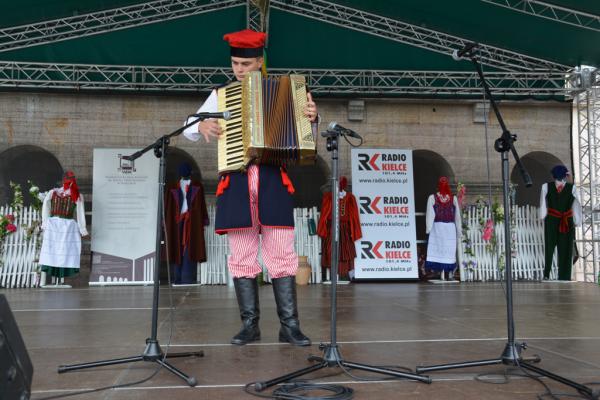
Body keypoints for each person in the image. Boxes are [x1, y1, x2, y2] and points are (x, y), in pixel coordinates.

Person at [183, 29, 318, 346]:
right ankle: (250, 326)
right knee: (241, 254)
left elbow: (304, 136)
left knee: (282, 253)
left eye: (245, 64)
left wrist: (313, 117)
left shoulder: (287, 91)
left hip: (273, 181)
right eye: (235, 64)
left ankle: (290, 326)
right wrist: (201, 124)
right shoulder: (221, 94)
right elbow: (189, 126)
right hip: (237, 183)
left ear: (260, 62)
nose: (238, 70)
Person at [39, 171, 88, 284]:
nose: (69, 182)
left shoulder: (77, 195)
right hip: (54, 225)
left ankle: (61, 277)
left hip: (68, 226)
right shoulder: (53, 192)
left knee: (65, 250)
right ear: (63, 180)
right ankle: (54, 275)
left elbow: (80, 212)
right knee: (52, 249)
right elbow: (46, 207)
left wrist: (82, 229)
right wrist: (45, 222)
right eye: (67, 179)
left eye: (71, 179)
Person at [164, 162, 209, 285]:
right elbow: (167, 207)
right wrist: (165, 222)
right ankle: (178, 278)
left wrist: (204, 219)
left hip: (192, 222)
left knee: (190, 248)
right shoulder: (172, 188)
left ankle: (188, 278)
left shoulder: (197, 187)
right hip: (176, 221)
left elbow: (201, 205)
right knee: (177, 248)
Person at [539, 165, 582, 281]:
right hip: (552, 220)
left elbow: (576, 205)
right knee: (549, 246)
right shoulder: (546, 187)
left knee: (566, 248)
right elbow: (543, 203)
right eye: (564, 177)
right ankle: (546, 274)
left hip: (566, 220)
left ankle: (564, 276)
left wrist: (577, 220)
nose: (563, 179)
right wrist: (543, 215)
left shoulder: (571, 188)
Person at [317, 176, 362, 281]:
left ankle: (351, 274)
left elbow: (353, 214)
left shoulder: (350, 198)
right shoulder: (329, 197)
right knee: (331, 249)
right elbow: (325, 212)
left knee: (347, 251)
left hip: (345, 227)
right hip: (332, 227)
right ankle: (333, 275)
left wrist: (353, 229)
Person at [425, 177, 461, 280]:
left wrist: (458, 229)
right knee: (440, 248)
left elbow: (457, 215)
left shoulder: (452, 198)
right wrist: (429, 227)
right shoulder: (433, 198)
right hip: (439, 227)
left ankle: (447, 273)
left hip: (447, 228)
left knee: (447, 250)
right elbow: (430, 214)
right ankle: (442, 272)